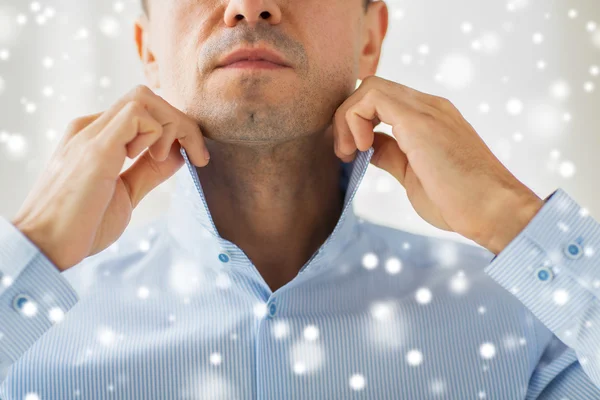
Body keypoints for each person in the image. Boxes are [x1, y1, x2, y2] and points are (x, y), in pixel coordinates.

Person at [0, 0, 599, 398]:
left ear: (372, 36)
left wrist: (516, 220)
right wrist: (31, 249)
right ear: (148, 49)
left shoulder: (524, 326)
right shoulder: (27, 341)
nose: (249, 5)